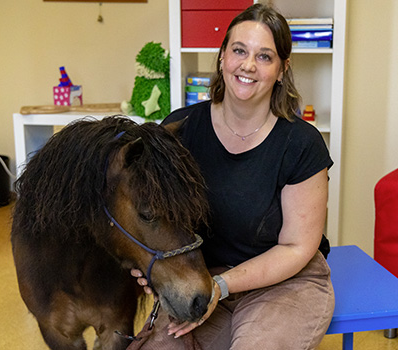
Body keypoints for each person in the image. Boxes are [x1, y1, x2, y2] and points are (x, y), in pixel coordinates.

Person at [130, 3, 335, 349]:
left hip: (285, 281)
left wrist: (221, 285)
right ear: (223, 56)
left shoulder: (301, 143)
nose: (248, 65)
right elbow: (148, 219)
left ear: (282, 69)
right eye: (239, 50)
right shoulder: (179, 131)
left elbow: (297, 247)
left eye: (265, 57)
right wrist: (148, 264)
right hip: (199, 277)